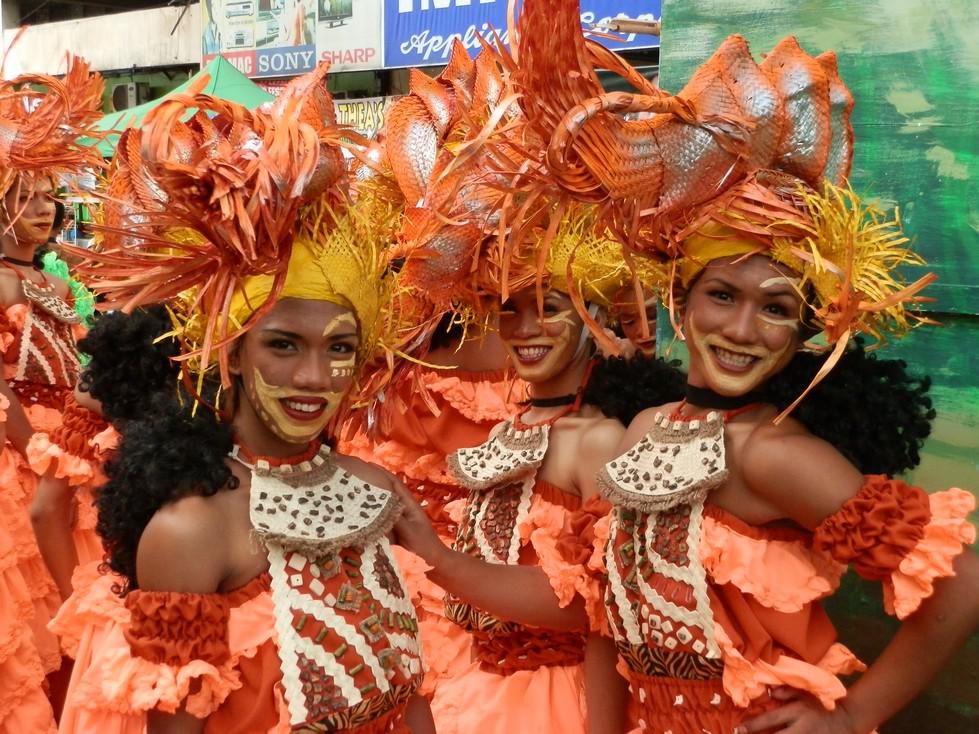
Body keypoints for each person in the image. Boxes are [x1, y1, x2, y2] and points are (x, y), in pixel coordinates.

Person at [497, 4, 979, 729]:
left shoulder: (775, 455)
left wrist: (852, 718)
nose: (742, 329)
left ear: (803, 330)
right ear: (680, 299)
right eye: (722, 295)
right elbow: (604, 615)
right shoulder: (645, 427)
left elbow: (960, 586)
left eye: (776, 307)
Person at [55, 66, 433, 734]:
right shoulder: (190, 531)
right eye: (283, 345)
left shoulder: (373, 489)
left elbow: (411, 696)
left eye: (339, 347)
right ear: (230, 352)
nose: (315, 376)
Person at [392, 207, 685, 734]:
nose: (525, 328)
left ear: (594, 315)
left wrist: (438, 561)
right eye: (509, 309)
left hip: (559, 700)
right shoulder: (514, 424)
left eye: (548, 308)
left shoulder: (599, 439)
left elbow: (603, 605)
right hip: (480, 685)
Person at [0, 57, 104, 732]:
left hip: (69, 447)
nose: (44, 210)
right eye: (26, 196)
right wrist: (34, 448)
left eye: (49, 196)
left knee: (83, 581)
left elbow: (79, 366)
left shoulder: (59, 282)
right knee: (33, 602)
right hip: (19, 455)